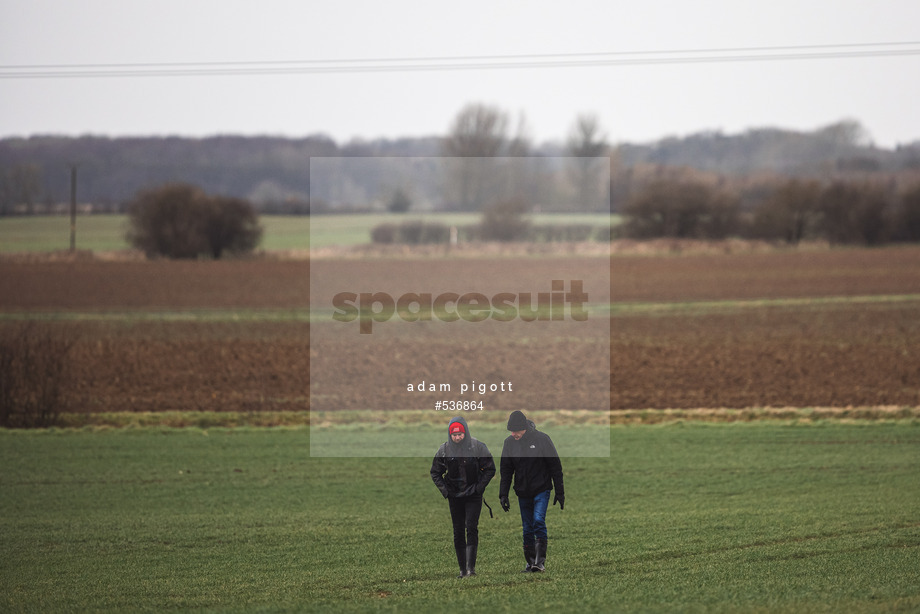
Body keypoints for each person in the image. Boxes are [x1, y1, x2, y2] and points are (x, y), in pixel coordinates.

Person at [498, 410, 564, 573]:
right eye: (511, 431)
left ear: (524, 428)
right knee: (527, 528)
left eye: (516, 431)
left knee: (538, 521)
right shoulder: (509, 443)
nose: (514, 434)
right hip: (522, 492)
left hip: (541, 489)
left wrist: (560, 492)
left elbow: (555, 466)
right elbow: (506, 470)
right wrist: (503, 494)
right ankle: (530, 563)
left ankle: (540, 562)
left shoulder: (542, 439)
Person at [430, 415, 496, 578]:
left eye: (460, 434)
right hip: (455, 497)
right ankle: (462, 570)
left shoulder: (477, 447)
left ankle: (470, 569)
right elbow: (435, 472)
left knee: (471, 528)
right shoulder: (444, 450)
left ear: (465, 432)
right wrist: (446, 491)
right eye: (454, 434)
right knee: (458, 531)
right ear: (450, 435)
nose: (457, 437)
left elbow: (490, 468)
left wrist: (479, 487)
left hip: (473, 495)